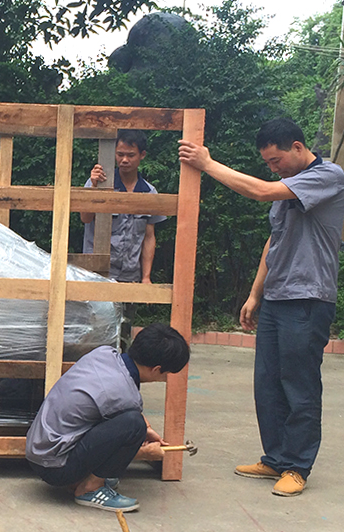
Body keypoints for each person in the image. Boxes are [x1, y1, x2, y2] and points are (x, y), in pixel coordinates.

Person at [179, 118, 344, 497]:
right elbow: (275, 242)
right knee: (267, 383)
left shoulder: (328, 176)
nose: (273, 168)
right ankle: (276, 458)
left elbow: (261, 191)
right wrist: (255, 295)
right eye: (268, 163)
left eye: (276, 160)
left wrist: (207, 163)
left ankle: (297, 466)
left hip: (307, 298)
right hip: (276, 298)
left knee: (299, 384)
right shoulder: (289, 188)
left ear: (298, 148)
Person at [26, 323, 190, 512]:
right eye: (167, 374)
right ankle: (90, 488)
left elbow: (113, 404)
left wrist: (147, 429)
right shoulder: (124, 394)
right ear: (156, 369)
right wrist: (145, 454)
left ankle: (83, 477)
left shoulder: (104, 354)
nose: (165, 379)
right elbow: (126, 414)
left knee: (135, 423)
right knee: (134, 424)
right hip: (56, 467)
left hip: (40, 450)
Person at [81, 130, 167, 344]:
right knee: (95, 331)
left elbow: (149, 237)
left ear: (142, 155)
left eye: (130, 155)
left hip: (129, 275)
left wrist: (146, 277)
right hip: (99, 273)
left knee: (124, 334)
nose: (124, 160)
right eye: (120, 154)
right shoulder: (99, 183)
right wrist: (93, 188)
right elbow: (85, 218)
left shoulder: (149, 193)